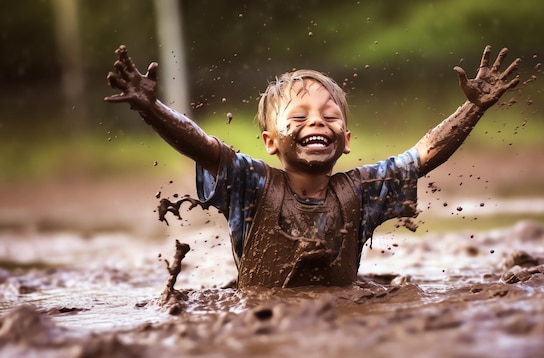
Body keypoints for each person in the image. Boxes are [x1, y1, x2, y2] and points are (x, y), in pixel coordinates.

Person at [105, 45, 520, 289]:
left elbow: (423, 156)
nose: (317, 121)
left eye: (329, 115)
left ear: (346, 140)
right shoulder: (251, 183)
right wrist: (152, 108)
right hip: (261, 319)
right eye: (298, 117)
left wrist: (473, 108)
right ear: (270, 142)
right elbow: (204, 147)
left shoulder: (360, 189)